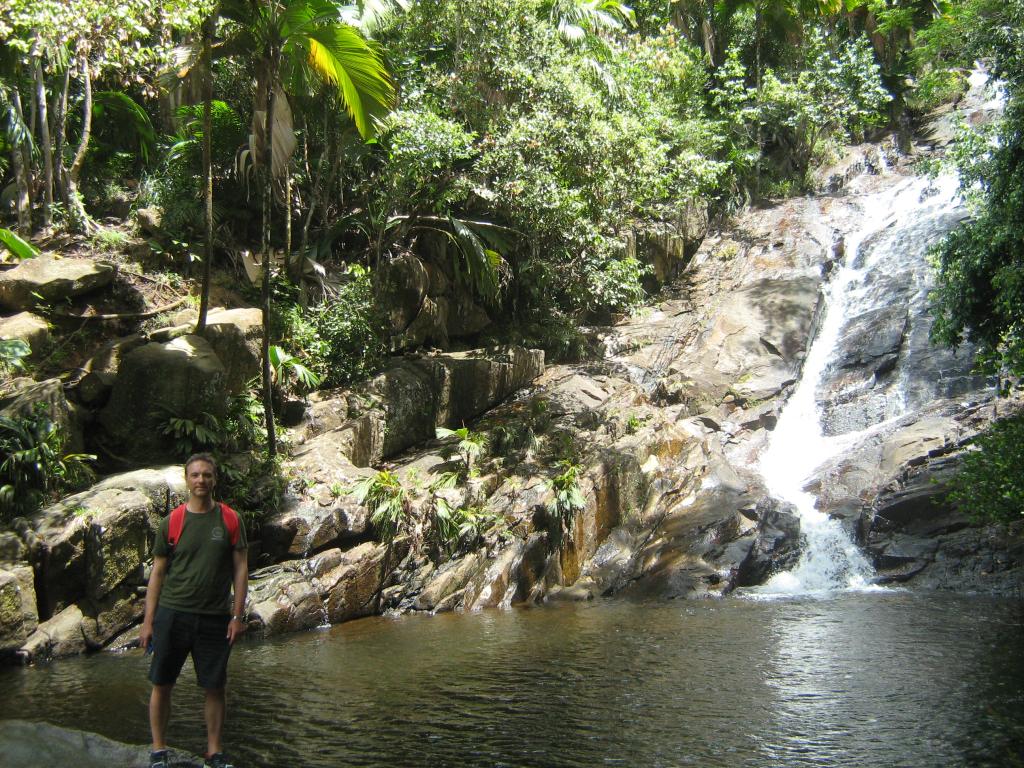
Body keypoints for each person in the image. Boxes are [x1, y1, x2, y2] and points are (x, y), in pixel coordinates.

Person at [139, 453, 249, 768]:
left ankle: (214, 751)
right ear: (187, 480)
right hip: (173, 614)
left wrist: (237, 616)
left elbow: (241, 569)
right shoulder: (171, 522)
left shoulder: (230, 519)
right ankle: (159, 749)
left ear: (215, 479)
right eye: (195, 475)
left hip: (215, 616)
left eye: (207, 475)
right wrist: (148, 622)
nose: (201, 480)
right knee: (162, 682)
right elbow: (157, 574)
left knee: (215, 686)